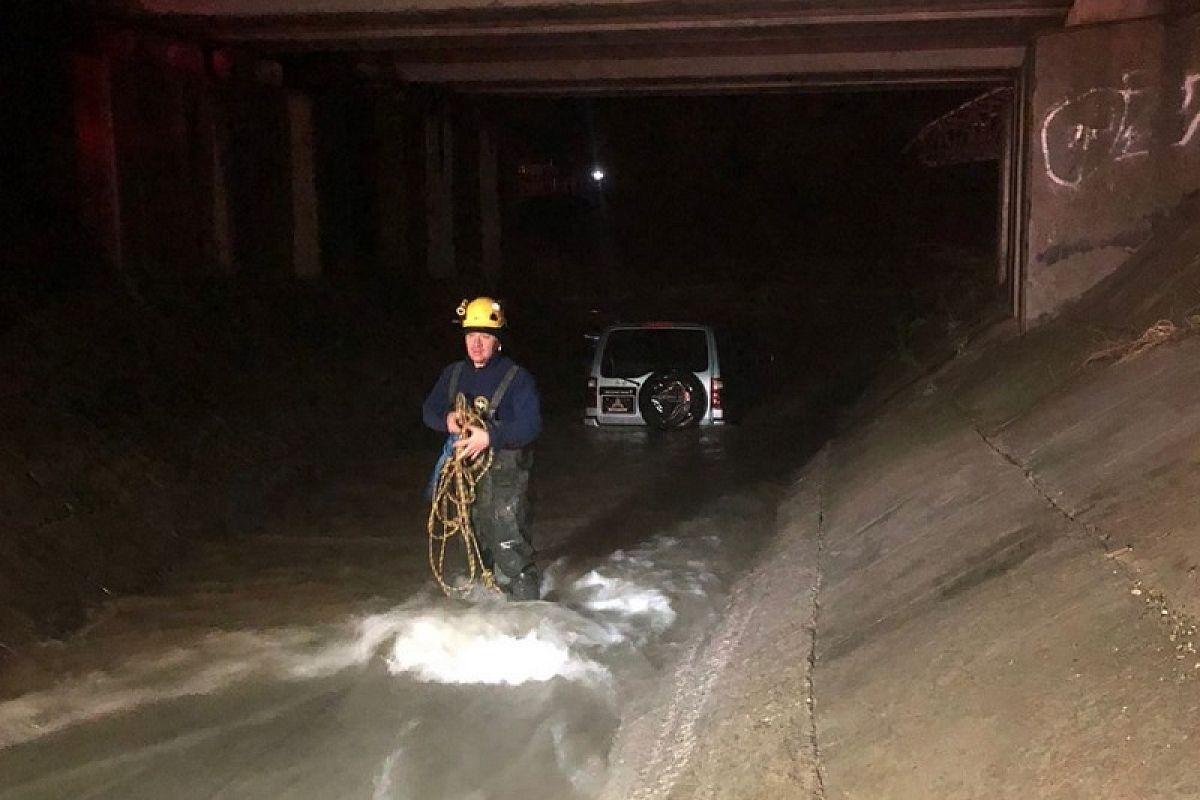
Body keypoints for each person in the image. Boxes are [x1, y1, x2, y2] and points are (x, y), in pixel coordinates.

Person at [422, 297, 542, 601]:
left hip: (505, 474)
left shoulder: (517, 379)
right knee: (471, 539)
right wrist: (447, 420)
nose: (476, 344)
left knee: (508, 540)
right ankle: (481, 619)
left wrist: (489, 437)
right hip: (468, 474)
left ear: (498, 341)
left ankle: (529, 614)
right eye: (470, 336)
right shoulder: (453, 374)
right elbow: (429, 410)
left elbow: (531, 425)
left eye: (485, 336)